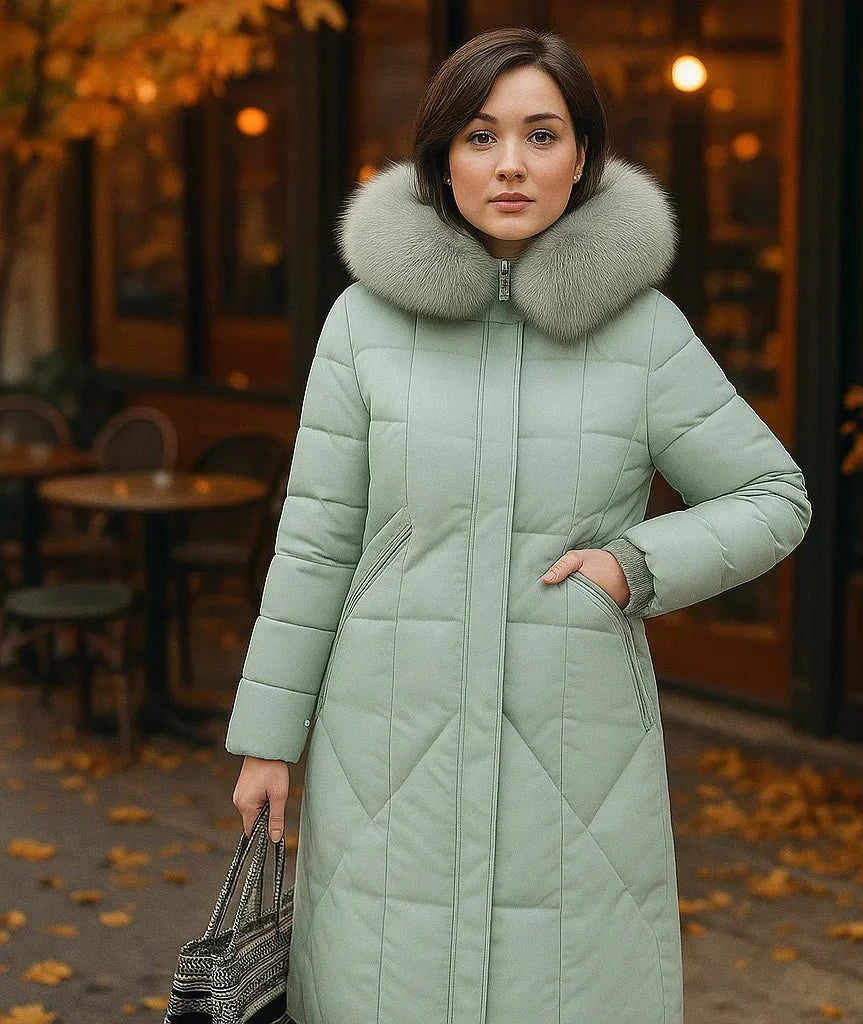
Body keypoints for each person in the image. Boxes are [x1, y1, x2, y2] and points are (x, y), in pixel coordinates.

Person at [226, 26, 811, 1024]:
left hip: (575, 748)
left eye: (541, 135)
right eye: (480, 135)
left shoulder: (640, 330)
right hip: (385, 748)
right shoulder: (364, 325)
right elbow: (318, 539)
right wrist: (270, 739)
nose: (509, 164)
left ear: (582, 157)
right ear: (440, 156)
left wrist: (634, 566)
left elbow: (773, 498)